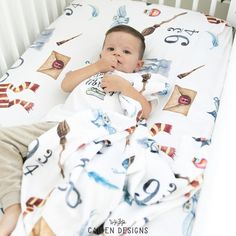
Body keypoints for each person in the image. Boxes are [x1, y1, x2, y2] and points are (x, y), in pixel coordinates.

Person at [0, 24, 152, 236]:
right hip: (59, 125)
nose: (117, 53)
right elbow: (66, 84)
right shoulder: (91, 70)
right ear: (101, 53)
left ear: (138, 64)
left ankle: (52, 219)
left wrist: (125, 87)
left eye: (126, 52)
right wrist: (98, 66)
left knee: (79, 179)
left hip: (95, 135)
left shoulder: (136, 81)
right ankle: (13, 206)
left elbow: (145, 111)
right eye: (111, 49)